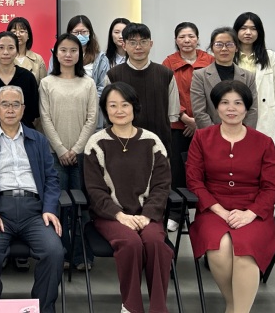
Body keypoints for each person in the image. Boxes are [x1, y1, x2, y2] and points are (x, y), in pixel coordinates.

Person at [186, 80, 275, 313]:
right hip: (213, 209)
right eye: (224, 102)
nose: (231, 108)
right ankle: (233, 305)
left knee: (245, 251)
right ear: (216, 106)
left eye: (238, 103)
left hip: (254, 211)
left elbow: (271, 187)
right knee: (219, 248)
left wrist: (250, 214)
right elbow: (194, 182)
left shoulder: (264, 142)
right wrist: (220, 211)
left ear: (246, 108)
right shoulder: (202, 137)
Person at [0, 85, 64, 313]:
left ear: (23, 109)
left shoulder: (38, 140)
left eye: (15, 104)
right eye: (5, 104)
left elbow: (52, 179)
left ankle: (43, 308)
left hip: (35, 211)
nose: (10, 109)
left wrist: (49, 208)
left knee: (54, 251)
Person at [83, 82, 173, 313]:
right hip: (110, 216)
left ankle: (158, 308)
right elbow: (95, 190)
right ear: (105, 110)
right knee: (131, 243)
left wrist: (147, 215)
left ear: (134, 107)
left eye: (125, 104)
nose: (119, 110)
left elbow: (162, 185)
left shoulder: (152, 142)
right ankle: (131, 307)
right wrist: (120, 215)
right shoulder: (96, 143)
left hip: (146, 215)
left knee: (156, 243)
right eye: (112, 105)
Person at [38, 32, 96, 269]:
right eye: (63, 50)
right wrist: (61, 149)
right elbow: (45, 118)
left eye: (73, 50)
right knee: (58, 205)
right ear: (55, 53)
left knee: (82, 207)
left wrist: (76, 149)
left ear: (80, 54)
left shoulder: (88, 83)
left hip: (82, 155)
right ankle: (60, 253)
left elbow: (92, 118)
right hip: (54, 155)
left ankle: (81, 255)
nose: (68, 54)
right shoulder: (47, 83)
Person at [161, 21, 214, 226]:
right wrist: (184, 118)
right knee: (177, 171)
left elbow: (215, 94)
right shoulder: (169, 62)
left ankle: (206, 211)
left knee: (206, 169)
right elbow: (167, 94)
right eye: (182, 36)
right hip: (178, 126)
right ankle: (176, 213)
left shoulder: (209, 60)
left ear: (198, 39)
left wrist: (199, 121)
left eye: (191, 36)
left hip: (206, 126)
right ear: (176, 40)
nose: (187, 40)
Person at [106, 23, 178, 161]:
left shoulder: (166, 74)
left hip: (159, 146)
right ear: (124, 45)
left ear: (151, 44)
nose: (138, 47)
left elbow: (172, 115)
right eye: (133, 42)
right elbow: (108, 115)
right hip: (122, 146)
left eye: (143, 42)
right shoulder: (113, 76)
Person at [190, 27, 258, 129]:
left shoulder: (249, 77)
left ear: (237, 48)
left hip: (242, 134)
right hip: (210, 135)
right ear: (212, 48)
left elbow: (252, 110)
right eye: (219, 44)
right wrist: (217, 134)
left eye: (229, 44)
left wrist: (242, 133)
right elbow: (199, 112)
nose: (224, 49)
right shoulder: (199, 76)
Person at [233, 12, 275, 139]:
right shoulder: (229, 56)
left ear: (259, 32)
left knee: (261, 146)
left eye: (253, 29)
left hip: (263, 112)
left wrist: (267, 106)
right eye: (243, 28)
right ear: (236, 31)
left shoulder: (270, 56)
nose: (248, 32)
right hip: (235, 110)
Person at [7, 17, 47, 84]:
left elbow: (43, 87)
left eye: (22, 31)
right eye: (14, 31)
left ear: (28, 36)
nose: (17, 34)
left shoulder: (38, 59)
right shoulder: (0, 57)